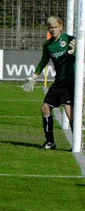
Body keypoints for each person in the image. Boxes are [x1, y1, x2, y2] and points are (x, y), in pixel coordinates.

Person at [23, 16, 76, 150]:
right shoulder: (48, 45)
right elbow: (44, 61)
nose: (53, 30)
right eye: (50, 28)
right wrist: (34, 76)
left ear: (61, 27)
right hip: (59, 82)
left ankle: (78, 144)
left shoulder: (70, 39)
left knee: (70, 113)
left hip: (71, 81)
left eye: (55, 27)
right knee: (45, 108)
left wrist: (77, 51)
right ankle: (50, 142)